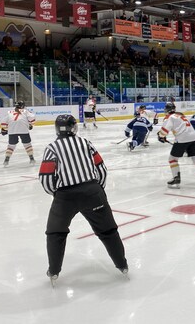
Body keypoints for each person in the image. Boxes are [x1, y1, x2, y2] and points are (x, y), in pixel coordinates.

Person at [39, 115, 128, 287]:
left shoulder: (52, 147)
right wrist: (97, 190)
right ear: (74, 128)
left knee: (55, 233)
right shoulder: (85, 143)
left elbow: (46, 178)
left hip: (65, 197)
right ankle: (122, 265)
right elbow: (101, 168)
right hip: (92, 192)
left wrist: (57, 195)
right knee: (108, 231)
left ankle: (54, 270)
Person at [157, 102, 195, 188]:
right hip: (194, 137)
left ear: (167, 110)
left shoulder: (170, 117)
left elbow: (164, 131)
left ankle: (176, 178)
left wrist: (160, 136)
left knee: (172, 158)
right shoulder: (181, 115)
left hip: (182, 138)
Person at [0, 101, 36, 167]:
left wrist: (4, 129)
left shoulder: (9, 112)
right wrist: (30, 125)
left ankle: (6, 160)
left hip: (12, 130)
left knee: (11, 145)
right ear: (22, 106)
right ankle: (31, 159)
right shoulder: (25, 111)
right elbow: (32, 118)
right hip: (24, 130)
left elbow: (3, 122)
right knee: (27, 144)